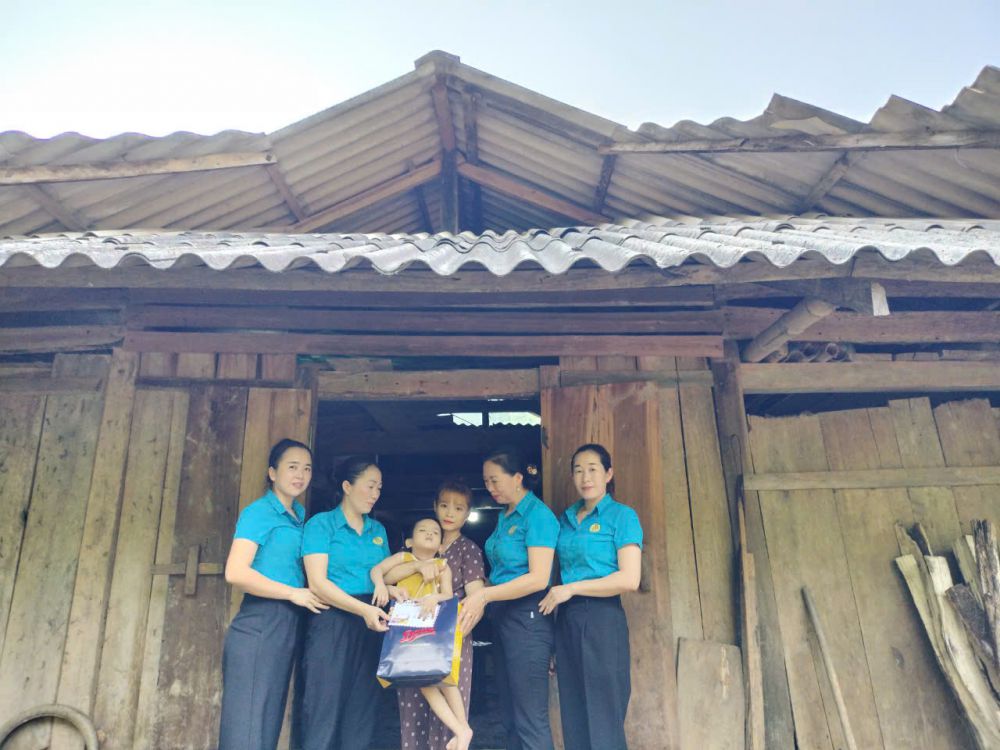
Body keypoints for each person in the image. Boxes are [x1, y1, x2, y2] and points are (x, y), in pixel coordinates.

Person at [219, 438, 327, 750]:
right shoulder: (259, 513)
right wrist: (293, 593)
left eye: (307, 468)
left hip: (287, 623)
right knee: (248, 723)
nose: (300, 475)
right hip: (260, 622)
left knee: (267, 720)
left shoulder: (299, 515)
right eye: (292, 467)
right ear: (272, 472)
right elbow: (235, 572)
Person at [539, 444, 642, 750]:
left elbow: (629, 578)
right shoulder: (565, 520)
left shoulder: (622, 516)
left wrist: (572, 588)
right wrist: (554, 640)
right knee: (574, 712)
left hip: (602, 618)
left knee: (604, 714)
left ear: (608, 474)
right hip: (568, 619)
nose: (586, 477)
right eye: (579, 470)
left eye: (593, 469)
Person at [458, 448, 558, 750]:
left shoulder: (538, 516)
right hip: (503, 616)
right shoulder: (505, 516)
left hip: (528, 617)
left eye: (495, 480)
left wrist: (485, 594)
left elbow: (538, 578)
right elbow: (501, 574)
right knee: (510, 714)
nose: (489, 487)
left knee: (530, 717)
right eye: (486, 481)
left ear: (517, 478)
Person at [384, 480, 486, 750]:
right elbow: (387, 578)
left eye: (458, 508)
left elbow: (476, 600)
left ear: (468, 514)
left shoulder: (468, 550)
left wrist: (453, 634)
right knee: (413, 707)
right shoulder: (414, 548)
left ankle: (460, 734)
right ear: (434, 507)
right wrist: (404, 577)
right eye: (444, 505)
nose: (450, 513)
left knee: (448, 710)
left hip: (451, 637)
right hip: (411, 638)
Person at [299, 456, 391, 750]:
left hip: (372, 621)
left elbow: (382, 577)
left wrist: (393, 589)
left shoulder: (378, 531)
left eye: (379, 488)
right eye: (370, 486)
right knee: (323, 703)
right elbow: (317, 583)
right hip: (332, 618)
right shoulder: (321, 525)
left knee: (363, 705)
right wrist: (362, 610)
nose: (375, 494)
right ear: (347, 487)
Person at [371, 517, 474, 750]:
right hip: (407, 628)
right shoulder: (403, 558)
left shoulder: (442, 565)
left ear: (441, 546)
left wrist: (434, 598)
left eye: (435, 532)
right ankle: (461, 730)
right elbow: (378, 570)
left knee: (446, 678)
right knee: (425, 682)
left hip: (432, 627)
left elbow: (448, 595)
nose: (429, 533)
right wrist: (382, 586)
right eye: (423, 530)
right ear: (409, 541)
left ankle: (463, 727)